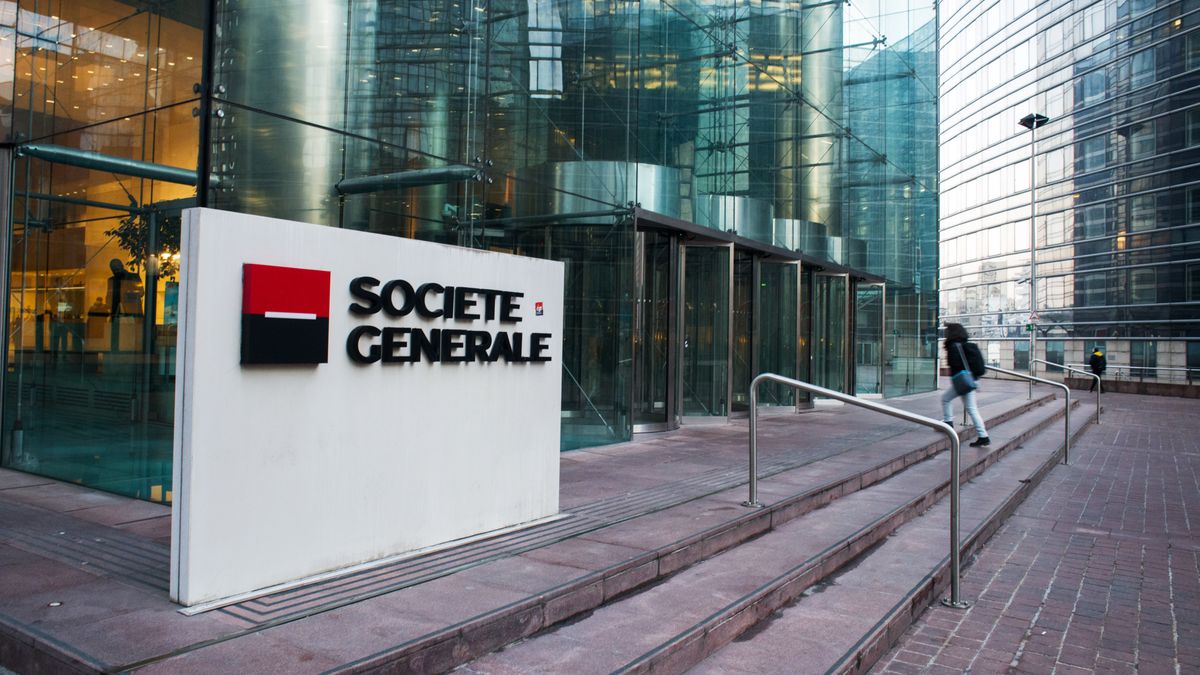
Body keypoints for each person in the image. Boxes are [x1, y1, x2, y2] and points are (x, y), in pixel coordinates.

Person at [941, 322, 990, 447]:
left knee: (946, 399)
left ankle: (948, 423)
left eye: (947, 330)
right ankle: (983, 435)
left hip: (962, 381)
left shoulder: (954, 346)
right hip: (970, 379)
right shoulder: (965, 345)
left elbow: (955, 364)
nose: (945, 332)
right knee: (971, 409)